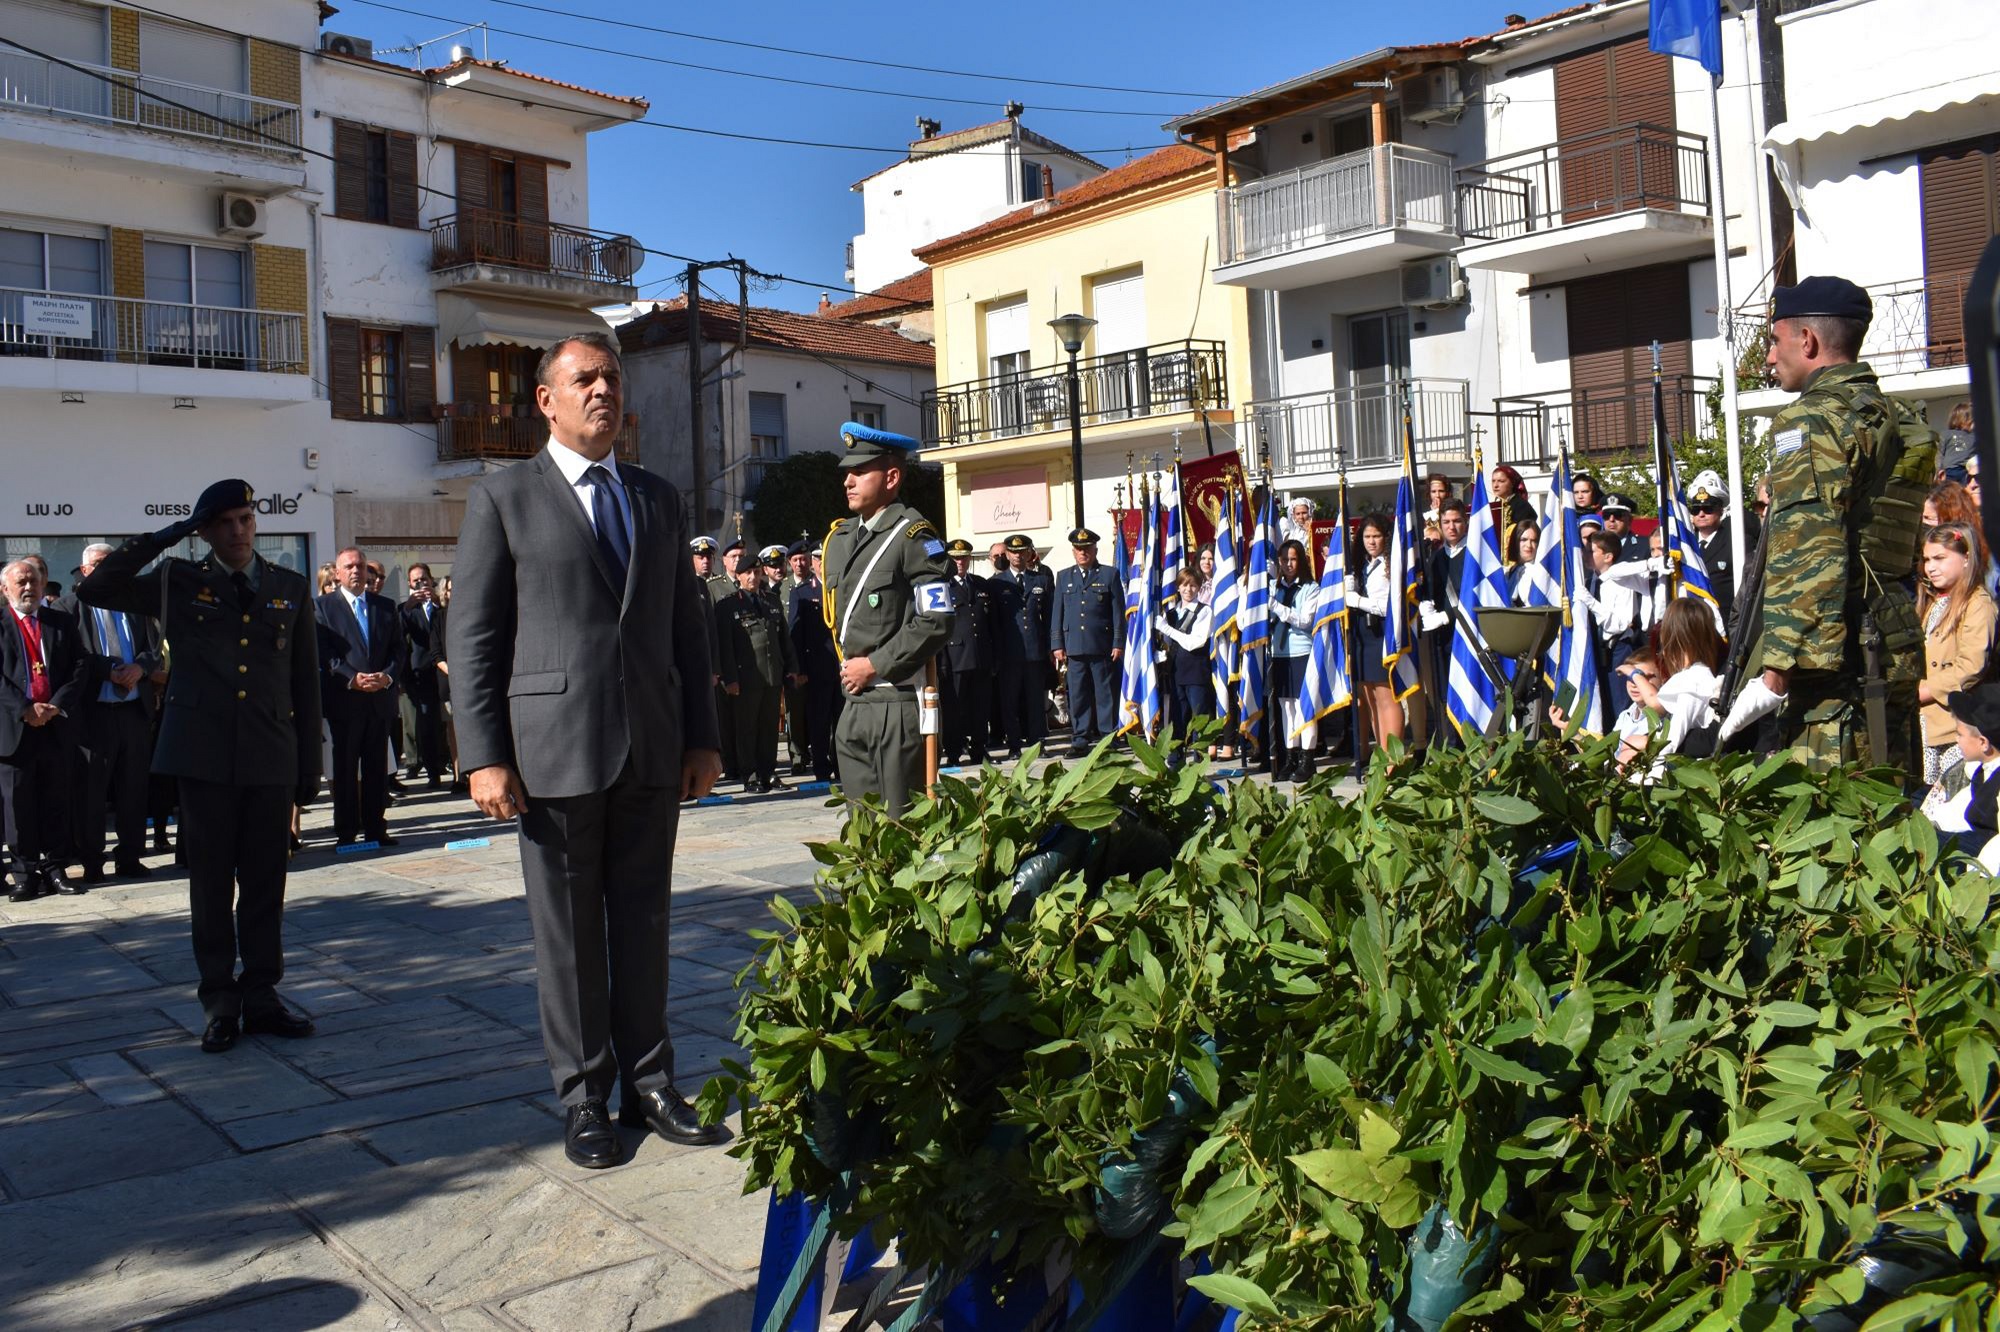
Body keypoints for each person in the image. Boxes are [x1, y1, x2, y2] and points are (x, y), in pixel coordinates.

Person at [450, 331, 726, 1168]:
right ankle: (584, 1099)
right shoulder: (503, 497)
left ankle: (650, 1083)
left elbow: (686, 625)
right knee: (569, 937)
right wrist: (482, 754)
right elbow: (476, 637)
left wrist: (703, 737)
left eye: (611, 377)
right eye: (585, 380)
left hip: (649, 746)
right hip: (552, 754)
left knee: (644, 923)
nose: (603, 391)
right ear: (546, 399)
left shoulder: (655, 497)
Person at [78, 479, 323, 1051]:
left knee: (266, 884)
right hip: (203, 757)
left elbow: (303, 683)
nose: (238, 531)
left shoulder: (289, 585)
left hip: (269, 756)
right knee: (211, 886)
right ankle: (219, 1001)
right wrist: (171, 534)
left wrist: (308, 767)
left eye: (245, 519)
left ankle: (262, 995)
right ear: (205, 531)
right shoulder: (177, 581)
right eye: (224, 523)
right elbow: (98, 589)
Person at [1729, 275, 1927, 774]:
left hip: (1837, 666)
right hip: (1891, 639)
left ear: (1808, 341)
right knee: (1892, 816)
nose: (1769, 358)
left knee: (1834, 827)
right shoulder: (1894, 415)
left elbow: (1808, 554)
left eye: (1775, 341)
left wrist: (1773, 674)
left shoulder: (1810, 421)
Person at [819, 424, 954, 816]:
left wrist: (875, 665)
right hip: (854, 703)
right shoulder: (842, 539)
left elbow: (937, 618)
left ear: (892, 477)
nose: (848, 481)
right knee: (862, 831)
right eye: (848, 472)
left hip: (896, 702)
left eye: (860, 472)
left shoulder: (913, 535)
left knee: (901, 828)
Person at [65, 542, 163, 883]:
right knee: (92, 792)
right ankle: (92, 861)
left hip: (133, 710)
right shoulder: (71, 606)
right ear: (86, 570)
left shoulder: (133, 601)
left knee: (134, 789)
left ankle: (131, 857)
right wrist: (107, 670)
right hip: (94, 713)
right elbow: (72, 657)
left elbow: (156, 647)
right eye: (100, 563)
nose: (107, 568)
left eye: (112, 562)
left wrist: (141, 667)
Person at [1, 558, 87, 900]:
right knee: (17, 806)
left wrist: (57, 704)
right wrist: (25, 709)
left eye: (33, 581)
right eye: (20, 582)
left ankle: (55, 869)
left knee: (55, 800)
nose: (28, 588)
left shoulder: (60, 622)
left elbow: (80, 665)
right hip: (14, 729)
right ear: (5, 588)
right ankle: (24, 873)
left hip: (54, 725)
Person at [316, 547, 405, 849]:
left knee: (376, 768)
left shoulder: (385, 606)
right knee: (344, 770)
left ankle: (376, 828)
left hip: (379, 702)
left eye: (361, 566)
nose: (356, 571)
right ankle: (346, 830)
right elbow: (323, 653)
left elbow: (398, 650)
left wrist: (387, 676)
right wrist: (351, 678)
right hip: (345, 702)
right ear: (337, 573)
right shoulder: (323, 607)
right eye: (349, 566)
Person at [1916, 523, 1995, 788]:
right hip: (1926, 723)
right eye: (1927, 559)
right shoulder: (1932, 601)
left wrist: (1924, 691)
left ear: (1966, 558)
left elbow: (1971, 666)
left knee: (1950, 799)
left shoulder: (1978, 604)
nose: (1931, 567)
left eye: (1940, 558)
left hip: (1955, 725)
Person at [715, 560, 800, 793]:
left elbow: (783, 639)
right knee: (747, 729)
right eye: (747, 573)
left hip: (772, 676)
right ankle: (750, 775)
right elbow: (725, 646)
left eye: (756, 572)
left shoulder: (770, 601)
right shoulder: (728, 606)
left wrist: (791, 667)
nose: (753, 576)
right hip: (746, 679)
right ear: (739, 577)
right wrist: (729, 679)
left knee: (769, 728)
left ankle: (768, 773)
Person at [1051, 528, 1123, 751]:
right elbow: (1057, 613)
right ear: (1073, 551)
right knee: (1078, 693)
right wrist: (1057, 644)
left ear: (1095, 550)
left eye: (1087, 549)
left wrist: (1118, 642)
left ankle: (1107, 737)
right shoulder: (1064, 576)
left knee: (1105, 693)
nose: (1083, 553)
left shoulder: (1109, 575)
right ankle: (1080, 737)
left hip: (1101, 645)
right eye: (1079, 550)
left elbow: (1117, 612)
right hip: (1074, 646)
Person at [991, 533, 1052, 757]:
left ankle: (1037, 743)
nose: (1018, 556)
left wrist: (1050, 648)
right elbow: (994, 623)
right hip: (1009, 654)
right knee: (1010, 702)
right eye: (1013, 552)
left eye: (1022, 551)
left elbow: (1049, 618)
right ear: (1007, 554)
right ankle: (1014, 745)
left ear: (1029, 553)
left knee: (1036, 701)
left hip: (1035, 651)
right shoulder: (996, 584)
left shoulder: (1041, 581)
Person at [1350, 514, 1405, 755]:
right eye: (1367, 536)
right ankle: (1382, 752)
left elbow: (1387, 605)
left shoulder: (1388, 565)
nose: (1371, 541)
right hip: (1364, 634)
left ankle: (1394, 758)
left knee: (1386, 697)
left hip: (1382, 631)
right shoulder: (1365, 564)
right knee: (1371, 698)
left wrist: (1358, 601)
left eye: (1377, 536)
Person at [939, 538, 996, 767]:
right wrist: (942, 661)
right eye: (955, 558)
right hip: (955, 658)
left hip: (980, 656)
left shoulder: (981, 585)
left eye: (963, 557)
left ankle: (979, 748)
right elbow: (939, 628)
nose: (960, 562)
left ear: (969, 558)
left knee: (981, 708)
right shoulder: (942, 587)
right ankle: (953, 752)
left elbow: (992, 624)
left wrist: (994, 656)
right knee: (955, 710)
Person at [1267, 538, 1318, 783]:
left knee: (1303, 707)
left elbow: (1305, 620)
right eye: (1284, 560)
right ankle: (1291, 755)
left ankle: (1308, 758)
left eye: (1293, 559)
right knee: (1286, 708)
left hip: (1301, 652)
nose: (1288, 564)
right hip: (1279, 653)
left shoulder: (1310, 588)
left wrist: (1276, 606)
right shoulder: (1274, 588)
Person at [787, 542, 839, 782]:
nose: (821, 563)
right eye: (818, 559)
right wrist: (800, 670)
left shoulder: (840, 588)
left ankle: (841, 765)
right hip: (816, 667)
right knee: (819, 721)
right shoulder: (801, 592)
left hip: (841, 666)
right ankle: (821, 766)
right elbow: (796, 636)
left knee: (842, 721)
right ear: (814, 562)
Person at [1931, 684, 2000, 860]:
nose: (1956, 740)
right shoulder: (1981, 772)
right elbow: (1960, 810)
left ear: (1983, 742)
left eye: (1960, 734)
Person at [1685, 470, 1757, 635]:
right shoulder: (1686, 545)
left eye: (1708, 508)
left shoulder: (1737, 540)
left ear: (1720, 510)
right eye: (1696, 509)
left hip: (1724, 628)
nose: (1701, 514)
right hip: (1691, 627)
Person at [399, 564, 449, 788]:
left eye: (424, 580)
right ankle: (432, 770)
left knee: (446, 721)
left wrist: (440, 603)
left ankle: (448, 762)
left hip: (443, 671)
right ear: (410, 585)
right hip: (420, 673)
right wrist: (409, 607)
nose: (421, 584)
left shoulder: (442, 608)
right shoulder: (406, 609)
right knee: (426, 722)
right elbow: (398, 634)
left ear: (431, 580)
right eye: (416, 581)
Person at [1157, 566, 1212, 762]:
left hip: (1196, 672)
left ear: (1199, 588)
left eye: (1193, 586)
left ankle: (1200, 762)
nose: (1188, 590)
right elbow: (1168, 644)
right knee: (1177, 719)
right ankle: (1175, 760)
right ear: (1178, 587)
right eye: (1184, 585)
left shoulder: (1204, 611)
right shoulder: (1171, 613)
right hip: (1175, 672)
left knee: (1198, 720)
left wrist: (1168, 630)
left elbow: (1194, 642)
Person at [780, 542, 813, 775]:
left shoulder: (818, 584)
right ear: (789, 563)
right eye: (795, 560)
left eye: (804, 559)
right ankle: (798, 756)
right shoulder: (781, 589)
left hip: (817, 659)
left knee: (818, 710)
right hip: (792, 661)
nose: (800, 564)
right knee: (795, 712)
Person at [1599, 493, 1638, 560]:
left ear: (1629, 519)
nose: (1611, 519)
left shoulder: (1644, 546)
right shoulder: (1595, 546)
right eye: (1606, 515)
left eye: (1617, 515)